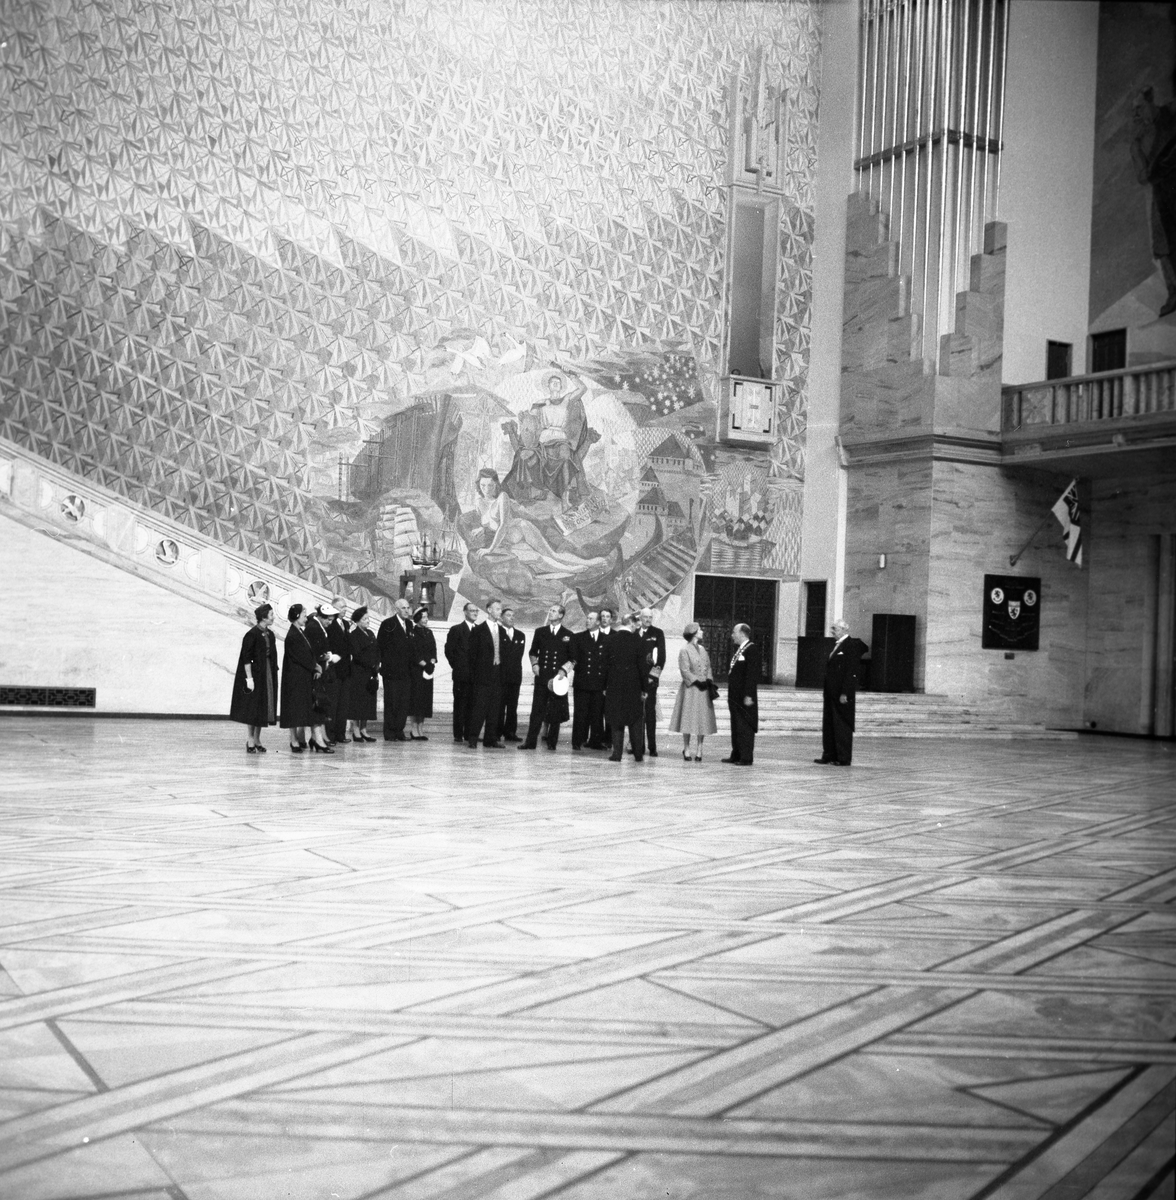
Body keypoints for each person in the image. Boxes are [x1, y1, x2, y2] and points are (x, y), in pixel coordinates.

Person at [519, 603, 575, 750]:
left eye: (554, 611)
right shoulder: (540, 632)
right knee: (537, 710)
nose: (551, 613)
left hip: (558, 678)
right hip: (542, 676)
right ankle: (530, 742)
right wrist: (534, 665)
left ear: (561, 615)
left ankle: (552, 743)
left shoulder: (568, 634)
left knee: (555, 711)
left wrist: (564, 671)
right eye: (550, 610)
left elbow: (573, 659)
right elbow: (532, 652)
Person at [817, 618, 869, 766]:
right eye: (833, 629)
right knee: (829, 724)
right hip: (831, 693)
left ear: (845, 630)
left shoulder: (850, 645)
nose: (833, 632)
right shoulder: (837, 646)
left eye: (835, 629)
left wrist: (845, 693)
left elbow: (851, 671)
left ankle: (843, 757)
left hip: (841, 694)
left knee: (841, 725)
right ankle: (829, 754)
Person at [280, 603, 331, 753]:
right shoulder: (293, 635)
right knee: (295, 710)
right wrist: (316, 666)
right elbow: (301, 656)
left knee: (301, 709)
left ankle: (301, 740)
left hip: (302, 677)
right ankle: (294, 740)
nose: (305, 617)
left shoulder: (299, 632)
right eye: (303, 615)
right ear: (296, 617)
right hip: (296, 678)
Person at [230, 603, 278, 753]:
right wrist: (249, 679)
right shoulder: (252, 634)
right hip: (256, 675)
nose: (273, 617)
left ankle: (257, 739)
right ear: (263, 617)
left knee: (263, 708)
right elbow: (246, 659)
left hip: (267, 674)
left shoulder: (270, 634)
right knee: (253, 709)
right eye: (271, 615)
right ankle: (250, 739)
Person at [602, 613, 649, 762]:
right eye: (636, 623)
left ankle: (617, 754)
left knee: (616, 719)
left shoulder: (610, 639)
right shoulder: (639, 641)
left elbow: (604, 666)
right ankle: (638, 754)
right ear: (631, 623)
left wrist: (604, 685)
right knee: (635, 719)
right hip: (633, 684)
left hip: (614, 683)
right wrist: (645, 688)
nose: (637, 626)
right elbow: (643, 667)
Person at [669, 622, 716, 761]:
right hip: (691, 689)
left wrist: (708, 680)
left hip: (704, 689)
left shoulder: (703, 649)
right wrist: (696, 681)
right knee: (688, 719)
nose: (702, 631)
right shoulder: (685, 650)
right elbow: (684, 670)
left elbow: (709, 668)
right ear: (694, 633)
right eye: (699, 629)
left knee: (702, 720)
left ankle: (700, 748)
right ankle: (687, 748)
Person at [466, 599, 507, 748]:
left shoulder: (502, 631)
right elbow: (471, 655)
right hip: (482, 675)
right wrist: (475, 676)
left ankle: (491, 739)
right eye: (497, 609)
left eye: (500, 609)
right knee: (479, 708)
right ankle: (473, 738)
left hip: (497, 674)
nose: (499, 612)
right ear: (489, 610)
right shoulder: (478, 630)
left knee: (494, 708)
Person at [377, 598, 415, 742]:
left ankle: (399, 730)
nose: (406, 610)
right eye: (403, 608)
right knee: (392, 702)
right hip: (392, 672)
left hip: (406, 672)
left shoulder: (410, 625)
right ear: (397, 609)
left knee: (403, 703)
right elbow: (381, 646)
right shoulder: (388, 624)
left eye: (408, 608)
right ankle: (390, 732)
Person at [723, 623, 760, 766]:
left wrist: (749, 694)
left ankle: (746, 757)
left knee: (745, 726)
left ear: (742, 634)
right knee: (736, 725)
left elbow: (752, 674)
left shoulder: (751, 649)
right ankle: (736, 754)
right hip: (735, 696)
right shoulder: (740, 649)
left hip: (745, 697)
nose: (732, 635)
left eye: (734, 632)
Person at [305, 603, 340, 751]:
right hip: (317, 672)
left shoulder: (319, 627)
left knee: (320, 705)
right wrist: (328, 657)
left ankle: (316, 738)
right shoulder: (314, 628)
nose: (329, 623)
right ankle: (318, 740)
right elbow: (313, 650)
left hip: (321, 670)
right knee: (317, 705)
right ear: (321, 616)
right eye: (328, 620)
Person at [572, 609, 608, 750]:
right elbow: (574, 659)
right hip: (582, 681)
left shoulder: (606, 639)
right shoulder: (578, 638)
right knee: (580, 713)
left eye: (591, 619)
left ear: (598, 622)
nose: (587, 621)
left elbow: (607, 662)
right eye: (587, 618)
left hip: (599, 683)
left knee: (597, 714)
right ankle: (577, 741)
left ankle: (596, 741)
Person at [445, 602, 479, 743]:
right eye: (472, 610)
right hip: (461, 674)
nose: (475, 613)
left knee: (473, 705)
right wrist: (458, 666)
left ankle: (470, 733)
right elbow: (449, 651)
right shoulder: (457, 629)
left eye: (476, 611)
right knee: (460, 705)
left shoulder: (479, 630)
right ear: (465, 612)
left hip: (476, 675)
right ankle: (458, 734)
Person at [345, 607, 379, 744]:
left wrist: (376, 665)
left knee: (368, 703)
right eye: (364, 619)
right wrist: (370, 664)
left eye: (368, 618)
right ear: (358, 621)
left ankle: (364, 729)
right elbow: (357, 655)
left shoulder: (371, 633)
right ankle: (356, 730)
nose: (368, 621)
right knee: (358, 702)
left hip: (371, 672)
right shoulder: (354, 635)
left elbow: (377, 650)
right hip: (359, 672)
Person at [637, 607, 667, 757]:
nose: (648, 620)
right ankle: (638, 745)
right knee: (637, 714)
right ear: (640, 618)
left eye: (650, 617)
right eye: (645, 617)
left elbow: (661, 658)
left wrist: (653, 677)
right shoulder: (634, 633)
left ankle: (652, 746)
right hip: (636, 681)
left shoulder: (657, 633)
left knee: (650, 714)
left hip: (650, 681)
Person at [498, 606, 527, 741]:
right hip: (500, 675)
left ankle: (510, 732)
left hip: (514, 676)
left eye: (513, 615)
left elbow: (518, 655)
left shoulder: (520, 635)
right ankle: (496, 732)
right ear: (501, 618)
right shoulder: (497, 632)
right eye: (508, 615)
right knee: (498, 706)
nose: (511, 618)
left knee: (512, 706)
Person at [408, 606, 437, 739]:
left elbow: (433, 650)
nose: (426, 620)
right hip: (416, 671)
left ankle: (421, 727)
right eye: (423, 617)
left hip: (428, 671)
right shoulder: (412, 632)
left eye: (427, 617)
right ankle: (414, 728)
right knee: (416, 699)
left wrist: (431, 663)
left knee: (425, 700)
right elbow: (413, 653)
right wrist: (424, 664)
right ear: (417, 618)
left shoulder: (429, 632)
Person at [326, 603, 353, 743]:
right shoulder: (330, 625)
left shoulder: (346, 624)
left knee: (343, 704)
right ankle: (330, 735)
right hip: (335, 669)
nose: (345, 609)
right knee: (333, 704)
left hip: (346, 670)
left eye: (345, 607)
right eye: (342, 607)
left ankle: (340, 734)